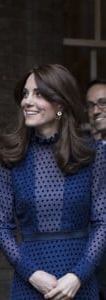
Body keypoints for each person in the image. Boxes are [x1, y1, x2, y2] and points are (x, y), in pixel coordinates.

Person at [0, 64, 106, 299]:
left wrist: (78, 276)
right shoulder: (9, 158)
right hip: (29, 285)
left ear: (60, 104)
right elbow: (1, 227)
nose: (27, 101)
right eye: (25, 94)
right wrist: (32, 274)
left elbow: (102, 222)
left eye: (38, 94)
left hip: (80, 285)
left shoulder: (93, 155)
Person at [86, 79, 106, 300]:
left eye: (103, 102)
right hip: (91, 263)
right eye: (90, 105)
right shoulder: (82, 153)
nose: (96, 110)